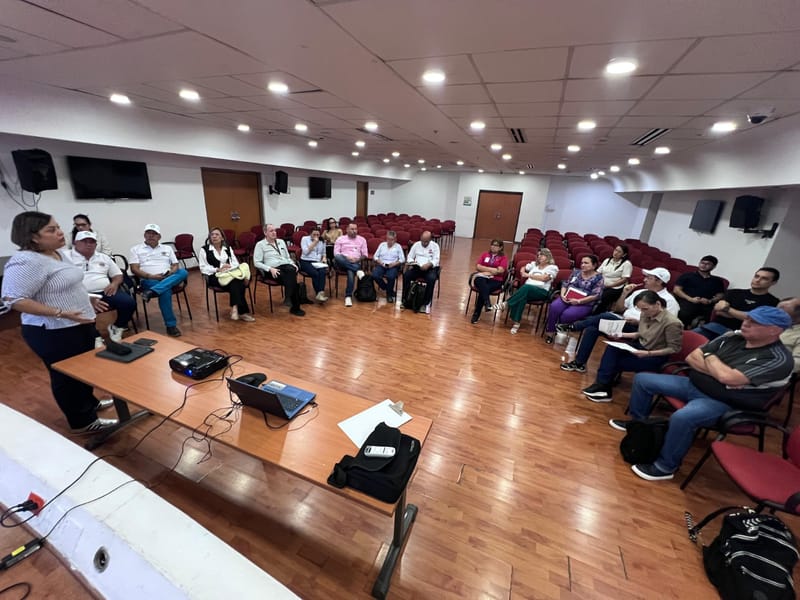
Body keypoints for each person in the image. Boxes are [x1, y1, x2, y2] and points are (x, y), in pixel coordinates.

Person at [610, 306, 794, 481]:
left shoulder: (778, 358)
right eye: (747, 318)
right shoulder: (733, 336)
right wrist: (719, 371)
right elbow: (692, 358)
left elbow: (726, 377)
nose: (746, 323)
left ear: (774, 330)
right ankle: (637, 423)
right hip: (696, 384)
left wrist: (709, 357)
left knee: (683, 418)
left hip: (724, 401)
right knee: (643, 380)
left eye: (755, 322)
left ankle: (665, 467)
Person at [2, 211, 118, 434]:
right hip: (53, 331)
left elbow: (67, 283)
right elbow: (13, 299)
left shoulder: (57, 253)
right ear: (33, 236)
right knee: (66, 376)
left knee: (83, 368)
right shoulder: (25, 261)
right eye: (51, 230)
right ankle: (83, 422)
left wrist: (88, 299)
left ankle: (89, 403)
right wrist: (59, 312)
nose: (60, 232)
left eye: (58, 227)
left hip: (79, 323)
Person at [558, 267, 679, 372]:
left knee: (607, 316)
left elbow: (662, 325)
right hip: (622, 320)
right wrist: (624, 293)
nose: (644, 280)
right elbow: (619, 308)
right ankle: (579, 363)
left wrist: (638, 322)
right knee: (592, 328)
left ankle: (575, 326)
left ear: (659, 281)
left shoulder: (669, 301)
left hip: (639, 329)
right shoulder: (641, 292)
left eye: (649, 278)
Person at [578, 292, 683, 402]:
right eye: (640, 309)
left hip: (654, 356)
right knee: (612, 348)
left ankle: (604, 388)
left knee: (615, 361)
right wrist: (621, 334)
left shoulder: (672, 323)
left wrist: (648, 354)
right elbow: (641, 333)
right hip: (640, 347)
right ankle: (602, 386)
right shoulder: (646, 314)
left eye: (645, 309)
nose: (643, 312)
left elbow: (674, 348)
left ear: (657, 304)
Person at [69, 230, 136, 342]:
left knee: (129, 303)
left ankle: (117, 327)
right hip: (80, 294)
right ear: (76, 243)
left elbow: (118, 275)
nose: (89, 244)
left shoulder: (103, 257)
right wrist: (84, 295)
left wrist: (114, 284)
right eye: (84, 241)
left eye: (92, 242)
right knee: (83, 310)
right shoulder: (66, 258)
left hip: (105, 291)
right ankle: (95, 336)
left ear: (96, 244)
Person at [128, 224, 190, 336]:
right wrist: (150, 276)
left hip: (168, 276)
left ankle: (153, 291)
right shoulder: (136, 249)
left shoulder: (167, 248)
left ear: (159, 236)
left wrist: (171, 272)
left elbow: (175, 265)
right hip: (149, 280)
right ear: (144, 235)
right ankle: (171, 326)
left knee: (183, 272)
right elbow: (134, 269)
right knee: (165, 291)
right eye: (148, 233)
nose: (151, 236)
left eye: (154, 233)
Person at [693, 267, 780, 340]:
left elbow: (757, 320)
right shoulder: (734, 292)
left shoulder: (773, 302)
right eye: (756, 276)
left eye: (764, 278)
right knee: (687, 338)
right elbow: (718, 310)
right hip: (715, 328)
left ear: (773, 282)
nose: (758, 280)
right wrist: (745, 316)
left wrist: (728, 309)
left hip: (741, 336)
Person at [491, 248, 558, 334]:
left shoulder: (552, 268)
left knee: (526, 288)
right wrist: (522, 271)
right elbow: (523, 267)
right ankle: (516, 323)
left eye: (542, 255)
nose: (539, 257)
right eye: (538, 255)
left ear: (548, 257)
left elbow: (545, 278)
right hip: (527, 291)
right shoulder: (534, 265)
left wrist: (528, 275)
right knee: (522, 297)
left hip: (541, 291)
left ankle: (507, 304)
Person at [543, 255, 604, 343]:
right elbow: (565, 284)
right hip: (567, 297)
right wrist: (563, 295)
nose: (583, 265)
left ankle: (558, 328)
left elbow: (596, 295)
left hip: (584, 303)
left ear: (594, 265)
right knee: (554, 307)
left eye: (586, 263)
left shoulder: (599, 278)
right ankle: (550, 332)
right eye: (582, 263)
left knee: (567, 315)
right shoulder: (576, 272)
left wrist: (579, 301)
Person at [198, 227, 255, 322]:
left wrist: (229, 267)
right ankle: (242, 312)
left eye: (217, 234)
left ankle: (235, 309)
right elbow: (203, 267)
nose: (214, 236)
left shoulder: (227, 248)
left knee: (235, 281)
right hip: (215, 276)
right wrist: (217, 269)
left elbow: (235, 263)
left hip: (229, 274)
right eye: (212, 235)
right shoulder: (204, 250)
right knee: (238, 281)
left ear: (222, 238)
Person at [253, 223, 305, 316]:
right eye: (271, 231)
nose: (274, 232)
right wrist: (270, 269)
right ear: (265, 233)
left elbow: (287, 257)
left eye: (275, 230)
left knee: (291, 270)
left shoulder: (281, 241)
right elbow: (256, 262)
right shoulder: (260, 245)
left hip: (285, 266)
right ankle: (295, 305)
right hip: (271, 269)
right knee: (291, 278)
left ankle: (289, 299)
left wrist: (292, 263)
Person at [673, 255, 726, 328]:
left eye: (707, 264)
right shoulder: (687, 275)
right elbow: (676, 290)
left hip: (706, 304)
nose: (704, 265)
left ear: (714, 267)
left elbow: (720, 295)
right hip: (687, 300)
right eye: (702, 263)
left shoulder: (717, 281)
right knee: (685, 313)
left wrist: (710, 301)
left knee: (717, 316)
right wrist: (690, 299)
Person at [470, 239, 509, 324]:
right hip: (482, 277)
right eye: (492, 245)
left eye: (496, 245)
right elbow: (478, 266)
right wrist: (493, 270)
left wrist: (486, 269)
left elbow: (501, 270)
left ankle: (476, 313)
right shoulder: (485, 255)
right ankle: (487, 303)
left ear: (501, 247)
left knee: (483, 290)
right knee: (481, 283)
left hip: (496, 280)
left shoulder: (503, 258)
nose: (493, 247)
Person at [402, 231, 441, 314]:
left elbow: (436, 260)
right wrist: (413, 262)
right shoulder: (416, 245)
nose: (424, 243)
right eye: (422, 241)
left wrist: (429, 264)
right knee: (406, 275)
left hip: (429, 268)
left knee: (431, 279)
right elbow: (409, 257)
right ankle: (406, 299)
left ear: (430, 239)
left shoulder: (435, 246)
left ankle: (426, 303)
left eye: (426, 241)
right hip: (417, 267)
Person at [333, 223, 368, 307]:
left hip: (356, 262)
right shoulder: (340, 239)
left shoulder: (362, 240)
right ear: (347, 230)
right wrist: (347, 258)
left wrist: (357, 259)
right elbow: (336, 253)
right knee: (338, 257)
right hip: (342, 262)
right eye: (352, 229)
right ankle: (357, 270)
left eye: (355, 229)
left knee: (350, 272)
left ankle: (348, 296)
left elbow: (365, 254)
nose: (354, 231)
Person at [595, 245, 633, 313]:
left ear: (624, 254)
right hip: (602, 284)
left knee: (603, 297)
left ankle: (595, 315)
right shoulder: (607, 260)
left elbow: (624, 279)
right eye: (615, 250)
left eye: (619, 252)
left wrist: (610, 285)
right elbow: (598, 272)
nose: (616, 253)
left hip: (616, 287)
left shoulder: (627, 264)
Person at [371, 230, 405, 303]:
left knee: (391, 276)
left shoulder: (398, 246)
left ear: (395, 239)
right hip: (382, 264)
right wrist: (379, 261)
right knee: (374, 275)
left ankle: (389, 295)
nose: (389, 241)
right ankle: (385, 287)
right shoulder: (382, 245)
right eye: (388, 239)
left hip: (393, 265)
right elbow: (375, 256)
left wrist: (395, 263)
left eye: (392, 240)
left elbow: (402, 259)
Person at [299, 226, 329, 302]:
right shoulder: (304, 239)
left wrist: (324, 258)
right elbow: (305, 252)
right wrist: (315, 242)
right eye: (314, 234)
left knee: (322, 271)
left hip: (317, 262)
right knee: (315, 273)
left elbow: (324, 253)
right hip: (306, 261)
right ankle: (318, 293)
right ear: (310, 234)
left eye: (317, 235)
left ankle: (320, 293)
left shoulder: (322, 241)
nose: (316, 236)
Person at [778, 297, 800, 372]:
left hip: (773, 373)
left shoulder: (797, 335)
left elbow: (797, 364)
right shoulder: (769, 324)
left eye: (781, 309)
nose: (775, 312)